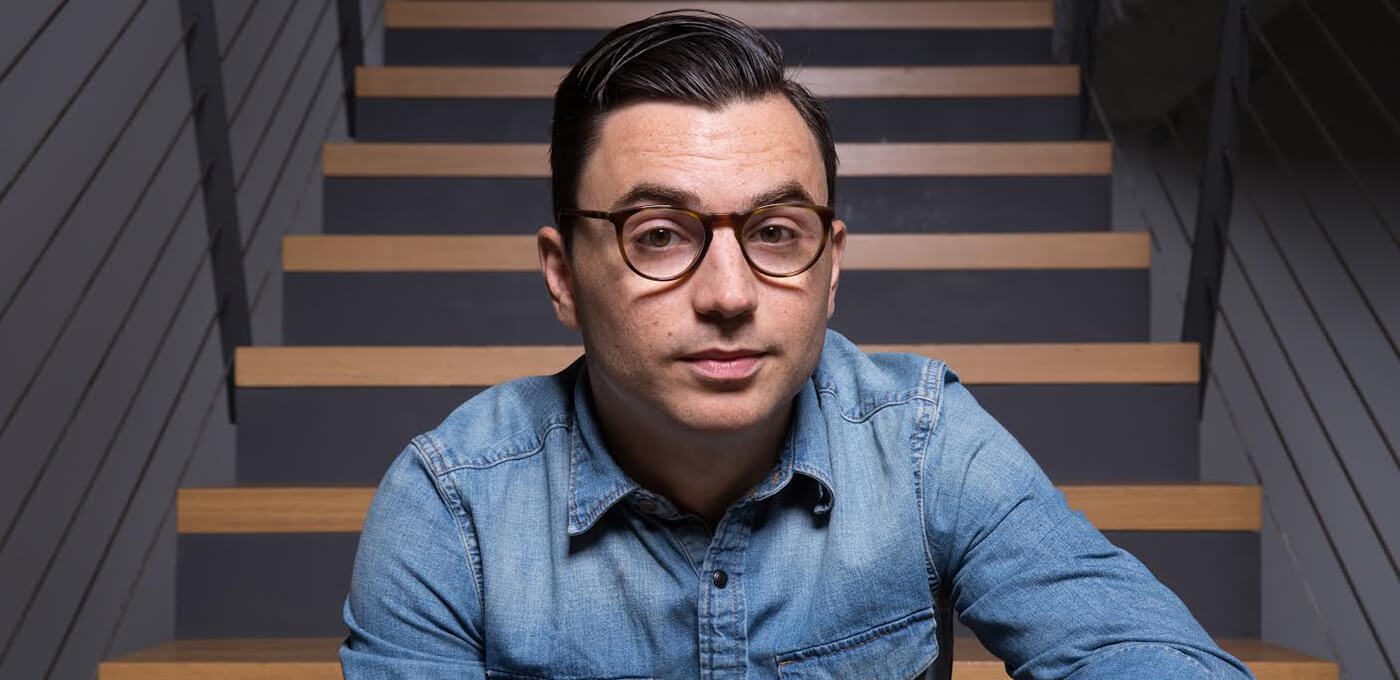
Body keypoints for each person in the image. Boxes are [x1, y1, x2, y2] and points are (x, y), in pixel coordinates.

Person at [340, 11, 1254, 679]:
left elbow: (1138, 651)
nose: (730, 295)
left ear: (831, 264)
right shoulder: (450, 506)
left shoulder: (925, 440)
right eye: (657, 233)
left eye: (777, 232)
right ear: (563, 275)